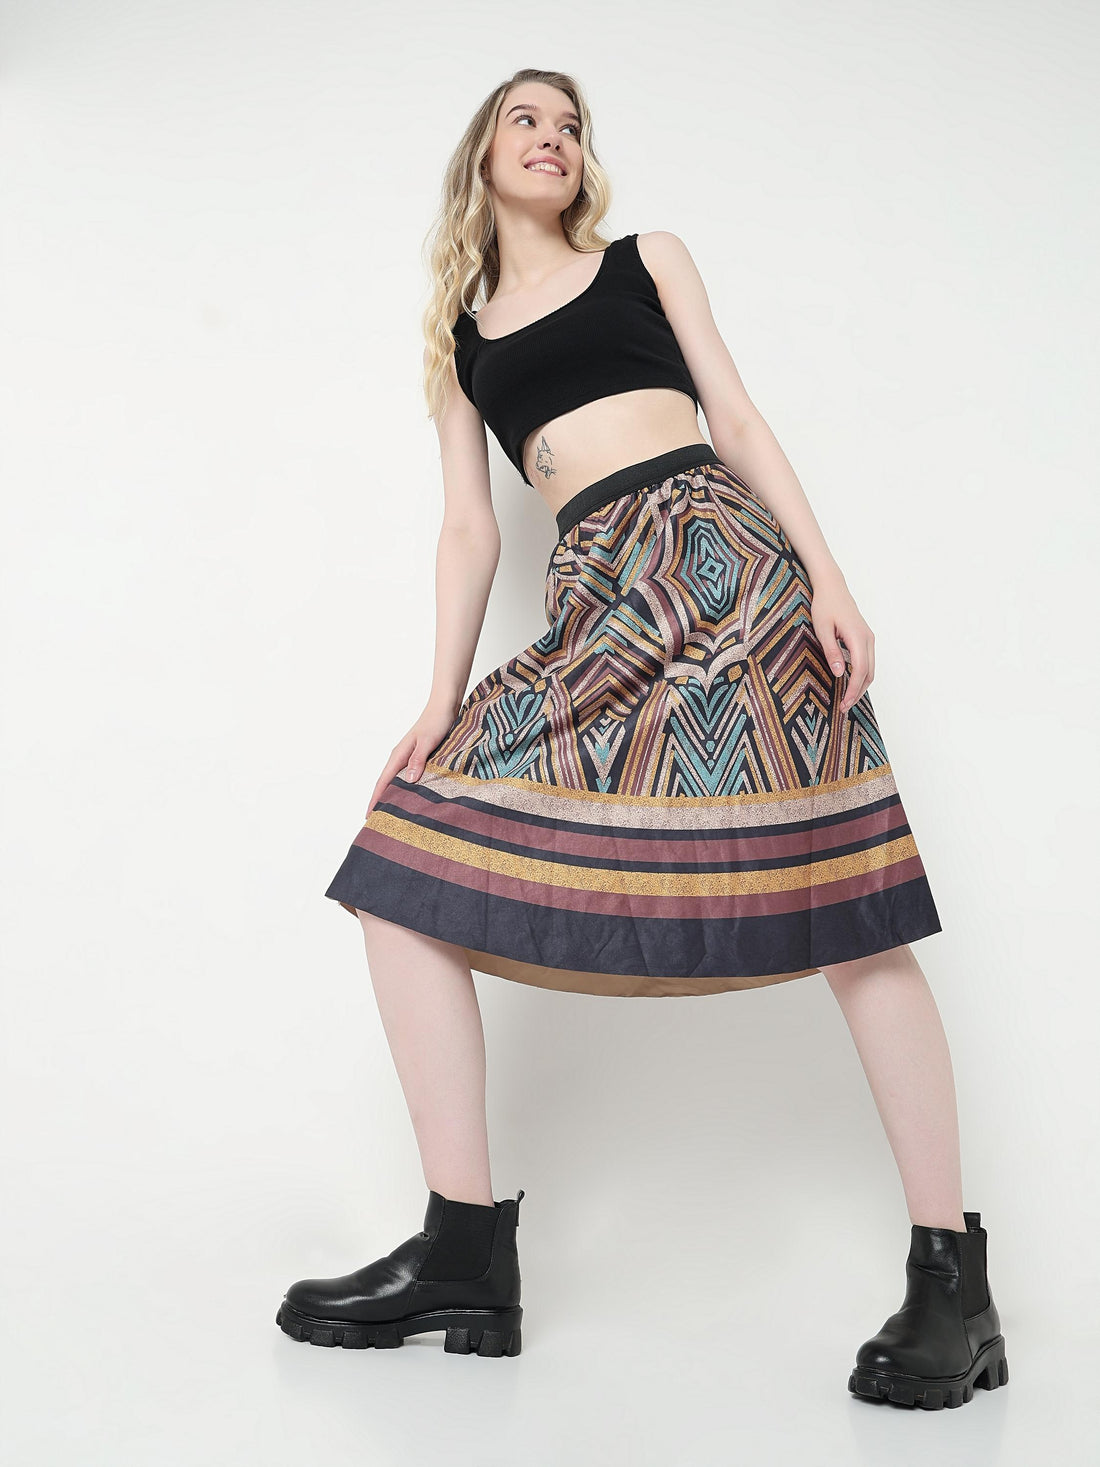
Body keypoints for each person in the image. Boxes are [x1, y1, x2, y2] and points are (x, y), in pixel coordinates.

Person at [276, 68, 1009, 1406]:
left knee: (850, 911)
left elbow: (737, 417)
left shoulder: (644, 260)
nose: (553, 138)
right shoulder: (462, 338)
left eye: (571, 126)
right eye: (527, 120)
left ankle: (952, 1283)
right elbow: (469, 528)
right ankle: (462, 1249)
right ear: (482, 155)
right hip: (597, 600)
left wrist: (832, 582)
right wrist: (440, 700)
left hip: (723, 562)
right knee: (398, 873)